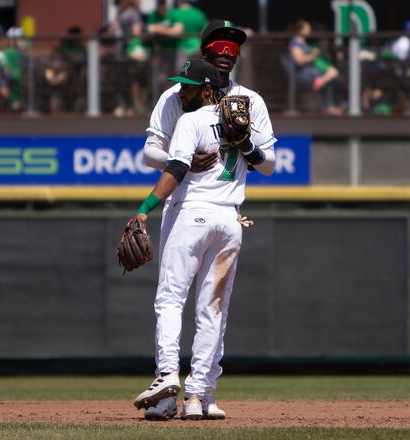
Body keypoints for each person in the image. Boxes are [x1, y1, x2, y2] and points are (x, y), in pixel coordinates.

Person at [134, 20, 276, 421]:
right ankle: (196, 396)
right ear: (206, 51)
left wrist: (143, 209)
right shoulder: (178, 100)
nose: (227, 53)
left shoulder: (227, 106)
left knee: (172, 300)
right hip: (228, 218)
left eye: (233, 47)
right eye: (219, 46)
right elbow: (152, 152)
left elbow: (173, 167)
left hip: (188, 212)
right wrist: (236, 147)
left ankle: (172, 385)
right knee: (213, 310)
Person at [288, 19, 340, 114]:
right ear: (301, 30)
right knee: (331, 75)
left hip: (311, 71)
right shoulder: (296, 43)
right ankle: (328, 104)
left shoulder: (303, 43)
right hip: (302, 73)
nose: (309, 30)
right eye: (307, 28)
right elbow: (299, 60)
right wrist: (313, 55)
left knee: (332, 75)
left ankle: (321, 83)